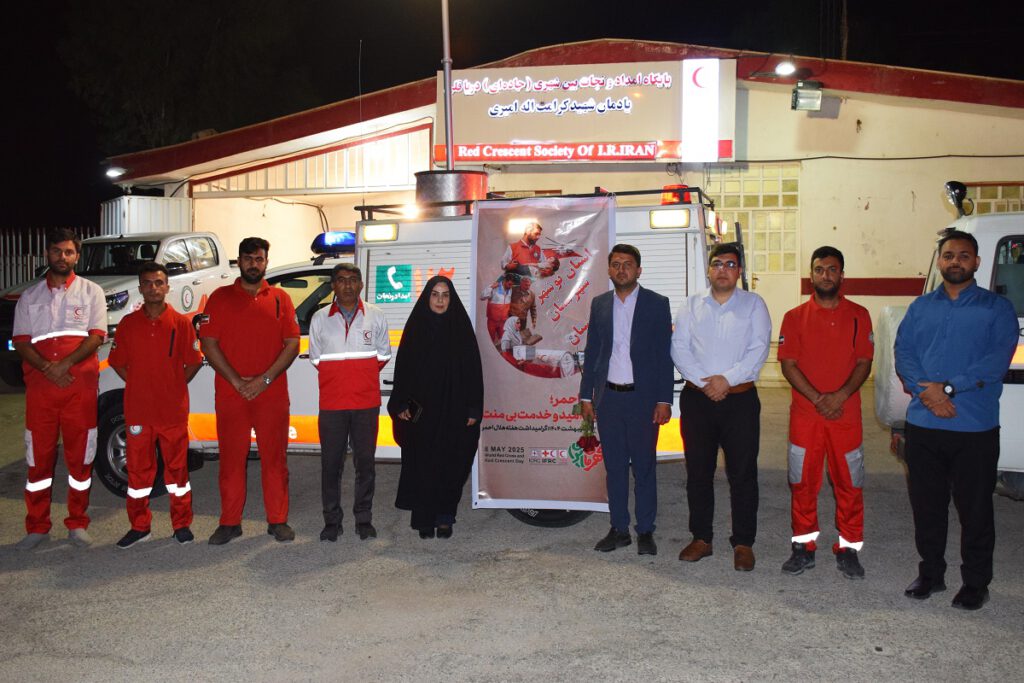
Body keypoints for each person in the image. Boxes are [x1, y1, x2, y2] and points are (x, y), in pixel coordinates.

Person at [895, 230, 1018, 610]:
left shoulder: (997, 309)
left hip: (973, 427)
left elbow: (995, 361)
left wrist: (947, 389)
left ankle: (976, 583)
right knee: (927, 507)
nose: (955, 262)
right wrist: (927, 394)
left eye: (964, 256)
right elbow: (904, 353)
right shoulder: (920, 308)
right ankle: (931, 574)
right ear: (940, 261)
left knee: (975, 510)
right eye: (948, 255)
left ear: (977, 262)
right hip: (924, 425)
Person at [671, 243, 770, 571]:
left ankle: (743, 543)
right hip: (698, 400)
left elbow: (758, 349)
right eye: (717, 264)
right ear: (709, 269)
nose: (722, 270)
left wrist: (726, 380)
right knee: (698, 472)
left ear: (739, 271)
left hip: (740, 401)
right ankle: (701, 538)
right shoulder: (691, 305)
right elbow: (679, 347)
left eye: (730, 264)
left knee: (743, 473)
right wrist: (705, 383)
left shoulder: (753, 305)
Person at [777, 246, 874, 580]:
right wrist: (819, 399)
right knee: (802, 481)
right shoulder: (794, 317)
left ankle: (849, 548)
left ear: (842, 274)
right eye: (819, 270)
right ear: (812, 275)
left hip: (846, 417)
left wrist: (840, 396)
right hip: (806, 417)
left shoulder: (859, 315)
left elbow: (864, 361)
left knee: (850, 482)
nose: (826, 275)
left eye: (832, 269)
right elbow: (788, 364)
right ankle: (803, 547)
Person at [198, 237, 300, 545]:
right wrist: (237, 382)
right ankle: (230, 523)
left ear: (266, 262)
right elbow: (208, 343)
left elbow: (292, 344)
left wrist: (263, 380)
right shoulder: (219, 298)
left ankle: (277, 520)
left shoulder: (281, 298)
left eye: (259, 259)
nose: (253, 264)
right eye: (248, 258)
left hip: (271, 393)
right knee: (231, 460)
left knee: (275, 460)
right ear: (239, 261)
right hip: (232, 394)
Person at [12, 229, 106, 550]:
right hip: (41, 392)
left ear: (76, 256)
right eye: (56, 251)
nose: (62, 257)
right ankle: (37, 526)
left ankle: (77, 522)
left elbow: (96, 336)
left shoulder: (92, 292)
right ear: (47, 254)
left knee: (80, 459)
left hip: (79, 389)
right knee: (38, 460)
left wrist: (63, 366)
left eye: (68, 252)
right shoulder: (30, 297)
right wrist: (48, 368)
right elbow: (21, 341)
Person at [579, 244, 673, 555]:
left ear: (639, 270)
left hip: (643, 401)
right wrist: (586, 395)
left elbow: (664, 355)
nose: (622, 269)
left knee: (644, 468)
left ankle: (645, 530)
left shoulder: (656, 304)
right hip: (609, 400)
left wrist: (664, 399)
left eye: (628, 264)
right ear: (609, 270)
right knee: (615, 468)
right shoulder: (600, 304)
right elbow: (593, 352)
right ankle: (619, 528)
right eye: (616, 264)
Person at [107, 262, 203, 548]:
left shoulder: (181, 324)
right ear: (140, 289)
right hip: (138, 411)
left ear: (167, 287)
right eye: (148, 283)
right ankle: (139, 527)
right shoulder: (128, 324)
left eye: (159, 283)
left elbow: (194, 362)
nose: (153, 288)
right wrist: (137, 383)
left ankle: (181, 525)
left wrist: (173, 385)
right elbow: (117, 362)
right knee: (138, 472)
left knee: (177, 472)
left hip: (172, 411)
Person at [387, 276, 483, 539]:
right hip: (422, 416)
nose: (440, 300)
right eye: (435, 294)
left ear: (452, 299)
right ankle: (424, 519)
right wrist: (400, 403)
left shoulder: (461, 330)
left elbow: (473, 372)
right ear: (427, 297)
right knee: (423, 466)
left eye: (445, 295)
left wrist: (474, 408)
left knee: (452, 464)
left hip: (454, 412)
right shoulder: (415, 329)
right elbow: (403, 371)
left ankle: (445, 517)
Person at [308, 263, 391, 542]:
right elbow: (316, 358)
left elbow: (383, 355)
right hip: (332, 404)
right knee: (331, 465)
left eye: (353, 280)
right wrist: (342, 379)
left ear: (361, 285)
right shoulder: (320, 318)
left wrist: (359, 378)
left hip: (366, 403)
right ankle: (332, 521)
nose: (347, 285)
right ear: (333, 285)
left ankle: (363, 519)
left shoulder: (376, 316)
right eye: (341, 280)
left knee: (365, 464)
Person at [480, 273, 515, 343]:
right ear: (504, 281)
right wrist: (491, 287)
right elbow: (482, 297)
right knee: (491, 341)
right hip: (492, 321)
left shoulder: (510, 289)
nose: (510, 286)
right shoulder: (494, 287)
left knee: (504, 342)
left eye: (512, 285)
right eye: (509, 284)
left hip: (503, 322)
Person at [508, 276, 542, 344]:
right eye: (526, 285)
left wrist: (534, 320)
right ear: (521, 283)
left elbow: (533, 308)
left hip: (522, 320)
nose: (528, 287)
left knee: (520, 337)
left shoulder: (532, 295)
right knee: (510, 335)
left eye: (529, 285)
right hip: (511, 317)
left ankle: (518, 348)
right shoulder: (512, 289)